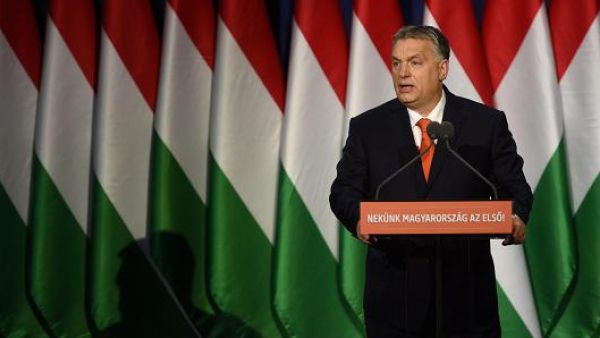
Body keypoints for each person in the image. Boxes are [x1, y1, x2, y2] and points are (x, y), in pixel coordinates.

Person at [329, 25, 532, 337]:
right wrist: (359, 218)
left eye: (415, 62)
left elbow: (514, 187)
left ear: (442, 69)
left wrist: (516, 215)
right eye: (396, 63)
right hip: (395, 299)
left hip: (465, 299)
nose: (402, 73)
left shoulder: (485, 124)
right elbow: (344, 191)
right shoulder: (368, 128)